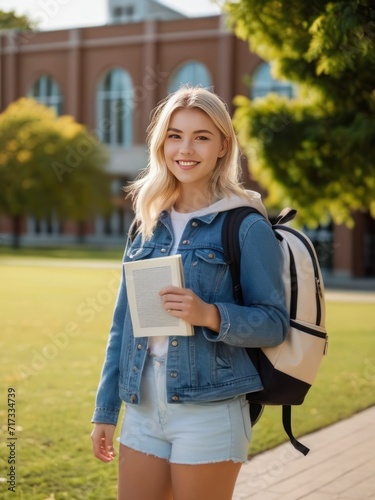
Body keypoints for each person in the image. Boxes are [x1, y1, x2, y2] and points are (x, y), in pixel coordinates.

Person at [91, 86, 289, 500]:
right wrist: (106, 411)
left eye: (201, 136)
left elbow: (273, 323)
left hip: (211, 409)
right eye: (175, 135)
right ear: (161, 143)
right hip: (143, 405)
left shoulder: (245, 224)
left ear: (222, 146)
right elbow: (121, 326)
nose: (186, 148)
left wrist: (210, 315)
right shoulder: (148, 221)